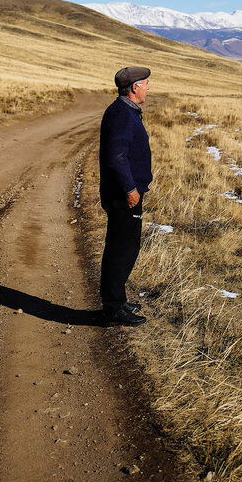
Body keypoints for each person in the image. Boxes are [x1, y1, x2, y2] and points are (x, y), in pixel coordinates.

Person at [98, 66, 152, 326]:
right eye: (146, 83)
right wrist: (131, 189)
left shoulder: (125, 111)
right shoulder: (122, 114)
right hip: (124, 194)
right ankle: (113, 307)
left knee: (125, 247)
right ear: (134, 88)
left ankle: (117, 300)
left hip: (125, 192)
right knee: (121, 249)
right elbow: (116, 157)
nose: (148, 88)